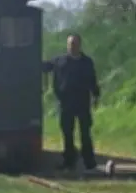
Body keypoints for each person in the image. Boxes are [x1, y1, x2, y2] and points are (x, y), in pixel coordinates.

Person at [43, 33, 101, 172]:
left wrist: (96, 95)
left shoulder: (87, 62)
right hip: (65, 102)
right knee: (67, 132)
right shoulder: (60, 61)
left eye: (74, 44)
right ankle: (69, 160)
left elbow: (93, 80)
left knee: (85, 132)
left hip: (82, 102)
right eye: (70, 44)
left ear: (79, 45)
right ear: (67, 45)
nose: (72, 46)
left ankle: (89, 161)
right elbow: (45, 67)